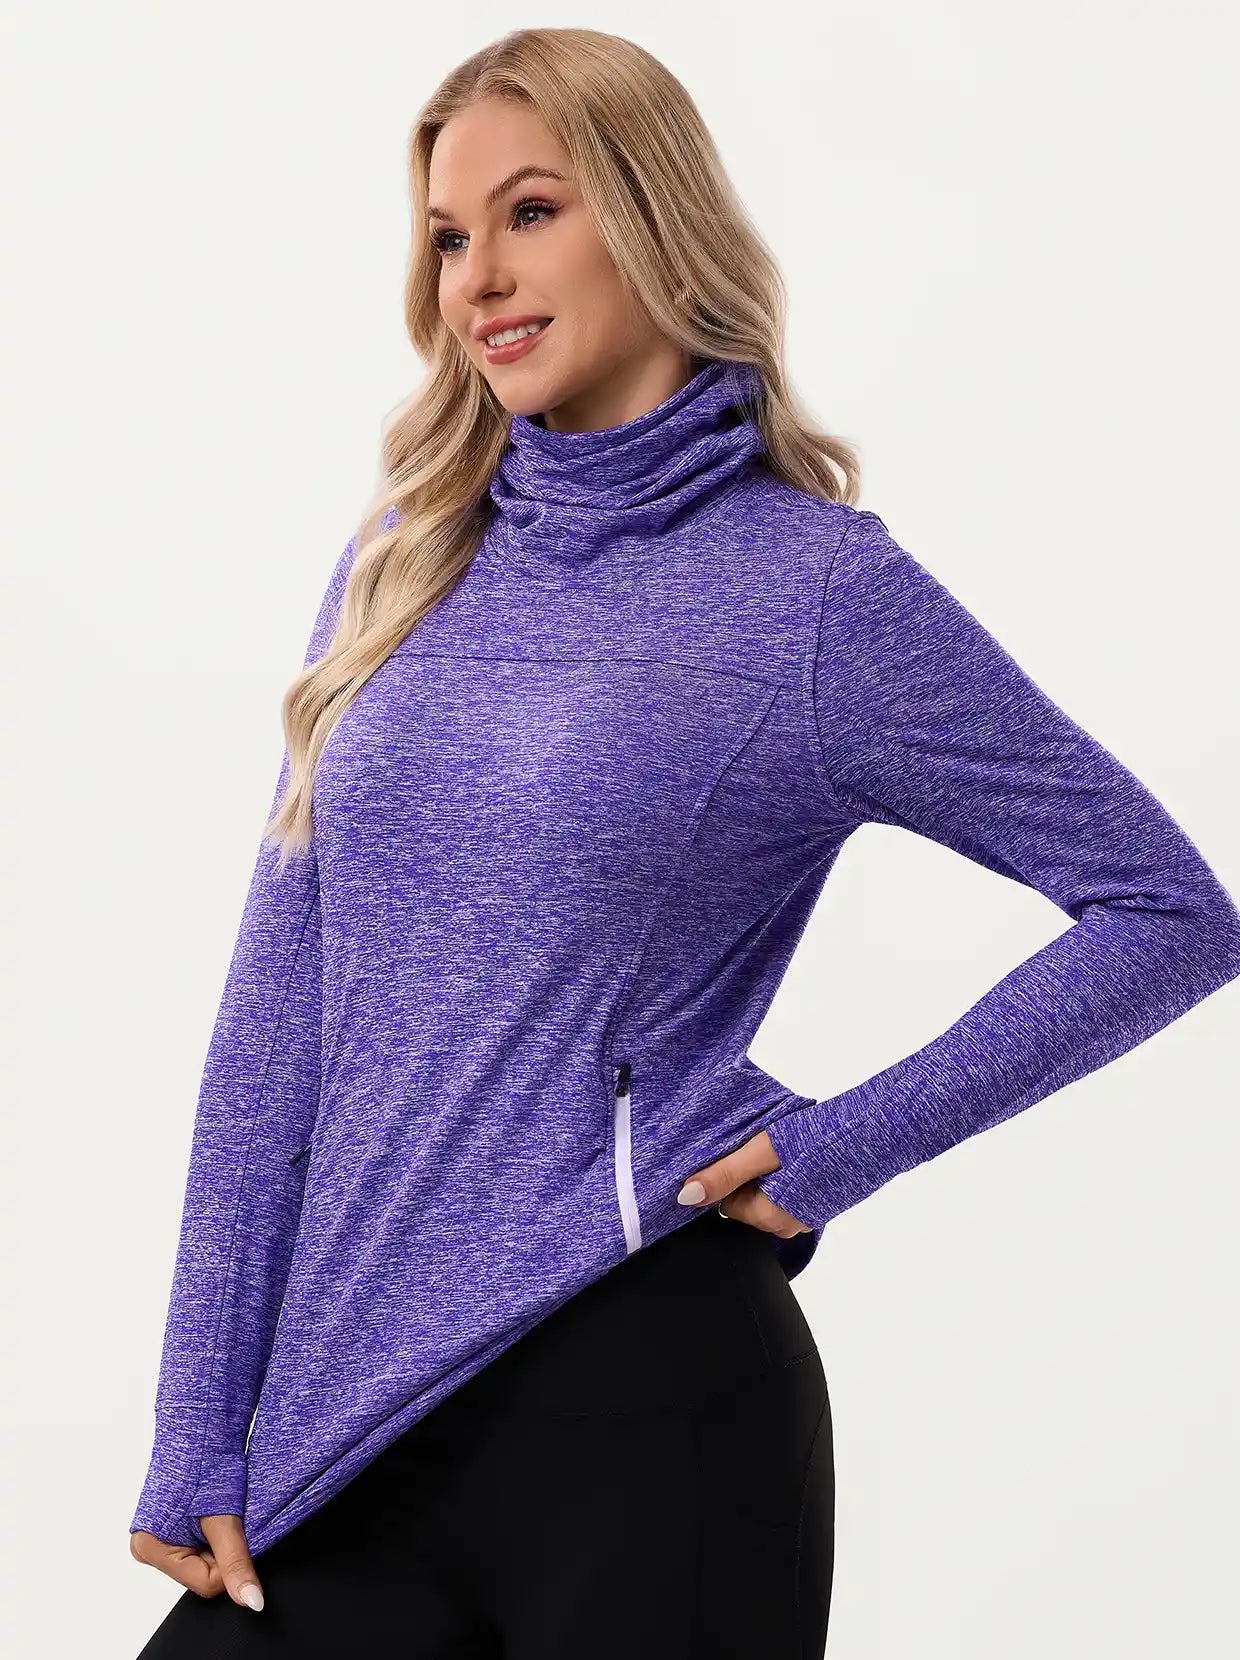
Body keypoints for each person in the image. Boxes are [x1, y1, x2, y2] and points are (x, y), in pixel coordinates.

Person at [128, 26, 1240, 1659]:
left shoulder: (818, 596)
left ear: (652, 217)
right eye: (447, 236)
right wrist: (195, 1415)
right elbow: (272, 1022)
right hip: (339, 1427)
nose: (477, 279)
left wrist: (848, 1144)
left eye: (530, 212)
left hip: (644, 1401)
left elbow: (1168, 912)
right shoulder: (405, 560)